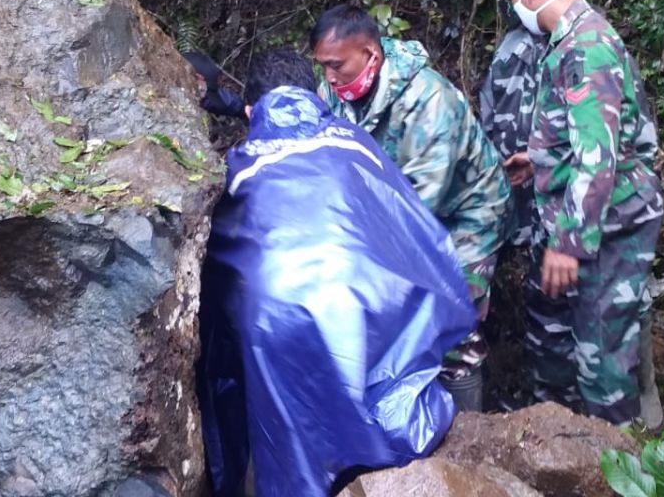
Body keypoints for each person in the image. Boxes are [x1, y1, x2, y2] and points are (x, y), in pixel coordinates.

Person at [197, 49, 475, 497]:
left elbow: (220, 275)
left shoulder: (241, 166)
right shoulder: (356, 141)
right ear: (315, 92)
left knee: (291, 432)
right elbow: (415, 229)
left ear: (252, 111)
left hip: (281, 319)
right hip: (369, 300)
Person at [478, 0, 663, 427]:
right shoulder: (570, 40)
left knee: (603, 364)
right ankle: (555, 441)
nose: (512, 6)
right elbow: (579, 136)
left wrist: (568, 243)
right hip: (579, 222)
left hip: (608, 230)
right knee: (554, 344)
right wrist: (537, 160)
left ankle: (622, 463)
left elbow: (597, 159)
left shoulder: (585, 49)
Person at [311, 6, 510, 411]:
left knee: (451, 314)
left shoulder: (429, 102)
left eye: (337, 66)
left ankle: (467, 435)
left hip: (464, 213)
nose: (330, 77)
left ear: (371, 54)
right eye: (323, 67)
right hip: (382, 210)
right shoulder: (332, 91)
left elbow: (421, 204)